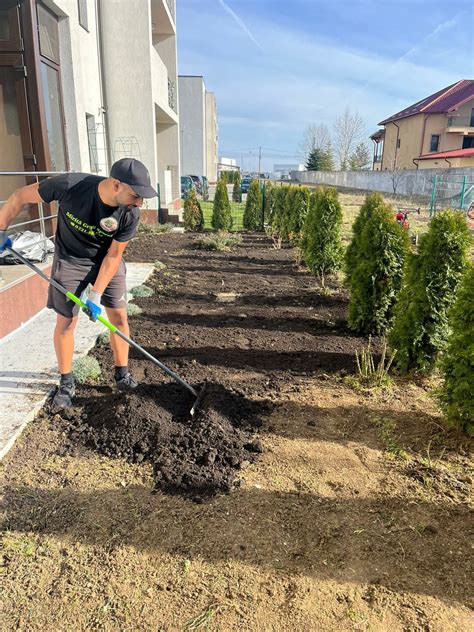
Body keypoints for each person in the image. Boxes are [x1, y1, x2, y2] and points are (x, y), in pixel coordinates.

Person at [0, 158, 157, 410]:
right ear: (117, 185)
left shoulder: (129, 214)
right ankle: (66, 382)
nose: (139, 203)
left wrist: (95, 295)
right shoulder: (70, 185)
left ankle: (122, 375)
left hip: (106, 260)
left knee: (118, 317)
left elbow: (114, 256)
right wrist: (1, 227)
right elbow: (20, 196)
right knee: (67, 321)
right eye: (136, 195)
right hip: (71, 259)